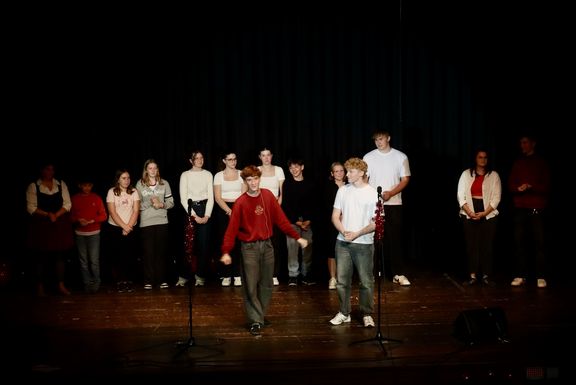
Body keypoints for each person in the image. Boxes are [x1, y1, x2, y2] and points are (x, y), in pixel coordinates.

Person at [220, 165, 308, 336]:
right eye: (249, 180)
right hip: (249, 247)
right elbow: (231, 230)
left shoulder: (267, 196)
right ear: (245, 182)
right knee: (251, 285)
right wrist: (226, 251)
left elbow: (281, 221)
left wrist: (297, 237)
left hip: (267, 246)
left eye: (255, 178)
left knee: (267, 284)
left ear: (260, 179)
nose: (253, 182)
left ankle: (259, 315)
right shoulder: (241, 202)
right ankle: (255, 320)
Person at [329, 158, 377, 328]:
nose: (346, 174)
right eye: (346, 171)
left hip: (363, 244)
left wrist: (357, 233)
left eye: (350, 172)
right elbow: (335, 216)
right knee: (342, 281)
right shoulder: (343, 190)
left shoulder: (372, 193)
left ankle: (366, 313)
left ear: (361, 173)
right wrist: (343, 231)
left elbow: (376, 223)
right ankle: (344, 312)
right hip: (342, 243)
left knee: (366, 281)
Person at [363, 130, 411, 286]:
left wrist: (391, 193)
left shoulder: (400, 156)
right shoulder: (368, 157)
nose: (378, 142)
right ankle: (372, 274)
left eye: (381, 139)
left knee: (395, 239)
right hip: (374, 204)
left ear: (388, 138)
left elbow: (405, 179)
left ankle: (398, 273)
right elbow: (364, 179)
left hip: (394, 203)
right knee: (374, 239)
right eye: (376, 140)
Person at [508, 134, 551, 288]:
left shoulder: (541, 163)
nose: (522, 146)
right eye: (521, 143)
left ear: (533, 143)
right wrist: (518, 188)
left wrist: (532, 187)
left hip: (536, 207)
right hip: (520, 208)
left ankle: (541, 276)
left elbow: (546, 186)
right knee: (520, 243)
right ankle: (521, 275)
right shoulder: (518, 163)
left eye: (525, 142)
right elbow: (511, 184)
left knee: (539, 243)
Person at [26, 162, 74, 296]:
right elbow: (31, 207)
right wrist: (47, 214)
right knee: (40, 256)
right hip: (42, 224)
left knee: (60, 255)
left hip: (58, 223)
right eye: (47, 169)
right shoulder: (34, 186)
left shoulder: (60, 184)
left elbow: (67, 203)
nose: (50, 172)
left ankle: (61, 285)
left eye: (52, 169)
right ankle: (40, 286)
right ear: (42, 171)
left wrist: (56, 215)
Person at [457, 149, 501, 286]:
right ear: (475, 159)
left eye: (485, 157)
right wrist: (469, 212)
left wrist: (484, 213)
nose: (483, 160)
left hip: (488, 212)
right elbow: (460, 195)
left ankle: (487, 275)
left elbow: (496, 197)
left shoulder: (493, 176)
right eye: (480, 157)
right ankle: (473, 275)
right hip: (469, 210)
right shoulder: (466, 174)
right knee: (472, 245)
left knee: (486, 245)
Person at [136, 159, 174, 290]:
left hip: (162, 221)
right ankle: (148, 280)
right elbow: (136, 205)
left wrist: (161, 204)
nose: (152, 170)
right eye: (150, 168)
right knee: (148, 253)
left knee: (161, 253)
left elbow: (171, 202)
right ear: (146, 170)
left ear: (157, 170)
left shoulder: (164, 183)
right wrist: (150, 203)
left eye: (155, 168)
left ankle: (162, 279)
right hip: (146, 223)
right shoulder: (140, 184)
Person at [177, 150, 214, 287]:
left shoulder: (208, 174)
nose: (200, 160)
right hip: (189, 210)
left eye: (201, 157)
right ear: (191, 161)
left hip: (204, 209)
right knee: (188, 245)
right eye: (196, 158)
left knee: (204, 245)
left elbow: (211, 197)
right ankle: (184, 276)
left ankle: (200, 276)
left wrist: (207, 215)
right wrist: (194, 215)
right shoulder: (185, 175)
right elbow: (183, 197)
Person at [213, 150, 247, 287]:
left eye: (234, 159)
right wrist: (228, 210)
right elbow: (217, 197)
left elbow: (244, 194)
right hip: (224, 210)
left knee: (238, 242)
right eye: (230, 159)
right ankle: (226, 274)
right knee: (225, 242)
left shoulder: (241, 174)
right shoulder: (218, 176)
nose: (233, 162)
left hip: (239, 208)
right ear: (224, 161)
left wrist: (236, 210)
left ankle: (238, 274)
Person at [282, 157, 316, 286]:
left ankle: (306, 274)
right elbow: (286, 205)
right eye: (291, 168)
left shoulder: (310, 183)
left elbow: (314, 204)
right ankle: (293, 275)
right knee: (292, 247)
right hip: (292, 221)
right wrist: (296, 221)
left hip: (307, 221)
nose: (294, 170)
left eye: (296, 167)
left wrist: (308, 220)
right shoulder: (287, 184)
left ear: (302, 167)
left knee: (307, 246)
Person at [70, 175, 108, 293]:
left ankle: (96, 282)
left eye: (89, 185)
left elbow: (103, 215)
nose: (87, 188)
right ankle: (87, 283)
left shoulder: (96, 198)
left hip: (94, 233)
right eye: (84, 185)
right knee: (83, 261)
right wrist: (78, 220)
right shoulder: (75, 198)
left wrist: (92, 220)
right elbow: (70, 216)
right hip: (80, 234)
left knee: (94, 260)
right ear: (80, 185)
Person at [106, 168, 140, 293]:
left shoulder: (134, 191)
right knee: (118, 256)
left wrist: (129, 226)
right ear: (118, 180)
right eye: (123, 178)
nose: (126, 180)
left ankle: (128, 281)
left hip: (130, 228)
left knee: (130, 255)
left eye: (128, 178)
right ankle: (119, 281)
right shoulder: (112, 192)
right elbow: (112, 212)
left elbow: (136, 210)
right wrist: (123, 226)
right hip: (116, 228)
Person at [258, 147, 285, 286]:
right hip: (261, 210)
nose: (266, 158)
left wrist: (277, 205)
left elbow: (282, 192)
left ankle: (275, 274)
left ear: (271, 156)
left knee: (275, 243)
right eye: (263, 155)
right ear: (260, 157)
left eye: (268, 155)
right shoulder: (256, 170)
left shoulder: (279, 170)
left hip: (275, 209)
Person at [322, 162, 347, 290]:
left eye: (341, 170)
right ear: (332, 174)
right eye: (336, 171)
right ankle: (332, 278)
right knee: (332, 250)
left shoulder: (350, 186)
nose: (339, 173)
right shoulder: (328, 187)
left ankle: (344, 277)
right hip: (332, 223)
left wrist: (345, 216)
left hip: (348, 222)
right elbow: (326, 206)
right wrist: (337, 217)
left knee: (347, 250)